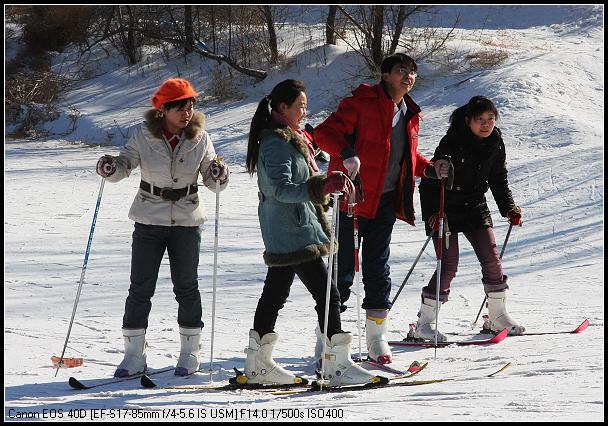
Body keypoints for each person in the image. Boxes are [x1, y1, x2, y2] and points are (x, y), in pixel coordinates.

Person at [242, 79, 383, 387]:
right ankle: (336, 365)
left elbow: (310, 177)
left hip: (292, 226)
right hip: (292, 229)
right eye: (300, 106)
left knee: (275, 293)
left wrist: (330, 182)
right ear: (282, 108)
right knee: (327, 293)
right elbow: (279, 188)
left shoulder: (294, 138)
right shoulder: (276, 143)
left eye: (305, 106)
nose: (305, 111)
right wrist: (321, 186)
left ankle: (257, 364)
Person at [314, 53, 449, 364]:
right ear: (385, 74)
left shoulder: (410, 113)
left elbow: (405, 157)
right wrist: (347, 152)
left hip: (385, 202)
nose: (408, 76)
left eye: (412, 72)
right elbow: (323, 133)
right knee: (341, 272)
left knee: (378, 269)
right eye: (401, 70)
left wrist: (429, 169)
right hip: (351, 199)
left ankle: (377, 339)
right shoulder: (361, 101)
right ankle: (327, 339)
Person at [95, 77, 230, 377]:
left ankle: (189, 352)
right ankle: (134, 355)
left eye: (191, 106)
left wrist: (219, 173)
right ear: (164, 109)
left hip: (186, 220)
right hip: (148, 218)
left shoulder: (201, 138)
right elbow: (124, 164)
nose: (187, 113)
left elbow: (211, 179)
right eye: (181, 107)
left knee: (187, 286)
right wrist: (110, 167)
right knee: (140, 287)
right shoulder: (143, 135)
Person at [415, 95, 525, 340]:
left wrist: (509, 208)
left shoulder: (496, 142)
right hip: (445, 208)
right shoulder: (452, 142)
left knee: (492, 259)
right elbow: (429, 181)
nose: (486, 125)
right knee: (449, 264)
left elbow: (498, 179)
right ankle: (425, 324)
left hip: (475, 205)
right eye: (480, 120)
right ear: (468, 121)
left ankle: (497, 316)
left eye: (490, 119)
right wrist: (433, 213)